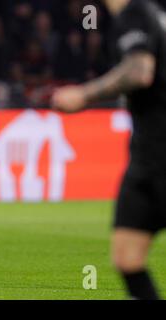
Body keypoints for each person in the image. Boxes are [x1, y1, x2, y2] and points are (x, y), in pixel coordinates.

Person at [51, 0, 166, 300]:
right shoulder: (151, 14)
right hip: (146, 157)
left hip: (159, 155)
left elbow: (140, 71)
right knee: (127, 256)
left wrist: (84, 94)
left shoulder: (136, 14)